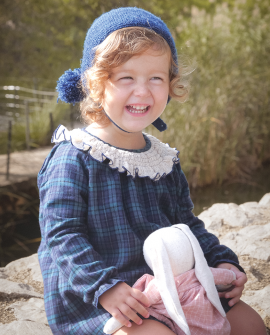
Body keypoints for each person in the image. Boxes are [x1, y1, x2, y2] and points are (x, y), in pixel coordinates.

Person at [37, 7, 267, 335]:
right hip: (104, 296)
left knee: (250, 324)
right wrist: (105, 288)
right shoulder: (74, 156)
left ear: (171, 85)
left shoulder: (163, 160)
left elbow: (186, 224)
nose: (143, 91)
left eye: (155, 78)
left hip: (169, 283)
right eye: (126, 77)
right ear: (96, 83)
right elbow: (62, 236)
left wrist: (222, 259)